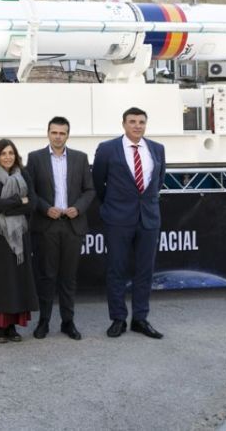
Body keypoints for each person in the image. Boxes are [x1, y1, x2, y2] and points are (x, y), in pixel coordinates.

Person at [92, 107, 166, 339]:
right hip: (117, 219)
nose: (137, 125)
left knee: (145, 271)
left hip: (148, 219)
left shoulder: (157, 149)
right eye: (132, 121)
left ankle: (140, 319)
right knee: (117, 270)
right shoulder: (107, 149)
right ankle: (118, 319)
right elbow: (98, 182)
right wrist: (113, 206)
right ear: (123, 124)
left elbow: (158, 181)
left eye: (141, 122)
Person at [25, 116, 94, 340]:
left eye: (62, 133)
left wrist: (78, 208)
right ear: (48, 133)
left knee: (68, 277)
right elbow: (29, 191)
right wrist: (45, 208)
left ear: (68, 135)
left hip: (72, 225)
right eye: (54, 132)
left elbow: (90, 190)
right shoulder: (35, 158)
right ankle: (43, 322)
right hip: (47, 226)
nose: (58, 137)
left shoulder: (80, 158)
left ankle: (68, 322)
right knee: (46, 276)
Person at [0, 138, 39, 343]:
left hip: (20, 236)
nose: (7, 157)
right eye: (3, 153)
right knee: (0, 281)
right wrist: (18, 200)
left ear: (16, 156)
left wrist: (5, 206)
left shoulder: (23, 175)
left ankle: (12, 326)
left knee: (17, 281)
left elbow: (32, 204)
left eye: (11, 153)